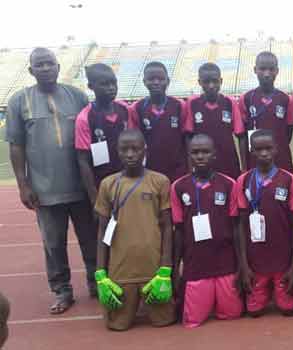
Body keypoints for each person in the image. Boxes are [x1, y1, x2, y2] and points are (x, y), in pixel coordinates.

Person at [4, 47, 97, 314]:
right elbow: (16, 146)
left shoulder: (77, 96)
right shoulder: (19, 101)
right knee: (53, 244)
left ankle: (95, 282)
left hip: (80, 186)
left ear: (58, 67)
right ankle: (62, 290)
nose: (45, 68)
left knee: (90, 238)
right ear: (31, 70)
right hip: (45, 190)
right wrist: (23, 184)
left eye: (49, 63)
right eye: (39, 65)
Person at [94, 129, 176, 330]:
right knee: (117, 326)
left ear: (144, 151)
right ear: (117, 151)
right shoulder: (108, 184)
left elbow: (167, 227)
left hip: (154, 270)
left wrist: (166, 269)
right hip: (121, 271)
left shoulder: (160, 181)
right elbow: (102, 231)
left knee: (164, 322)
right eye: (124, 149)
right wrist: (100, 274)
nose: (130, 154)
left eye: (135, 149)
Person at [171, 134, 245, 328]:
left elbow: (236, 227)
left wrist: (241, 265)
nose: (200, 156)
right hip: (196, 266)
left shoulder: (229, 184)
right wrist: (174, 269)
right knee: (192, 321)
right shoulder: (179, 187)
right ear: (189, 156)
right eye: (195, 152)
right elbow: (178, 230)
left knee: (233, 315)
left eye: (205, 152)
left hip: (225, 264)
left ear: (214, 155)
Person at [235, 129, 293, 316]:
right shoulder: (243, 181)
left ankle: (278, 287)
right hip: (256, 262)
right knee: (254, 312)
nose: (264, 153)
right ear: (251, 151)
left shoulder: (289, 180)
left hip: (283, 260)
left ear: (276, 149)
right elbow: (240, 224)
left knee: (288, 310)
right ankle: (264, 287)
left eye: (268, 148)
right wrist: (244, 266)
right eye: (258, 149)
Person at [76, 63, 132, 203]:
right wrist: (94, 196)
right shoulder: (85, 117)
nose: (111, 88)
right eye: (104, 84)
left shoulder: (125, 109)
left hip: (129, 182)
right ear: (91, 87)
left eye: (113, 83)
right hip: (103, 185)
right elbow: (83, 160)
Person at [130, 61, 191, 182]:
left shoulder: (180, 106)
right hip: (150, 171)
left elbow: (187, 138)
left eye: (160, 79)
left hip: (178, 170)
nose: (156, 82)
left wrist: (190, 168)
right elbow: (134, 143)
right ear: (144, 82)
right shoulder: (137, 108)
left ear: (168, 81)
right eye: (151, 79)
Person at [238, 52, 293, 173]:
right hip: (255, 159)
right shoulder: (247, 98)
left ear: (277, 71)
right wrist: (244, 165)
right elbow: (242, 136)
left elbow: (288, 132)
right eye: (262, 69)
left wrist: (278, 146)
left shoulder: (285, 99)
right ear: (255, 70)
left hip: (280, 157)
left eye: (271, 69)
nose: (267, 74)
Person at [185, 63, 242, 179]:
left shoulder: (229, 103)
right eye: (206, 82)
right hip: (202, 164)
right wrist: (190, 165)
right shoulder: (193, 103)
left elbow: (240, 134)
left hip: (228, 162)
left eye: (215, 81)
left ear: (221, 81)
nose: (211, 85)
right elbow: (188, 136)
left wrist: (244, 166)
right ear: (200, 82)